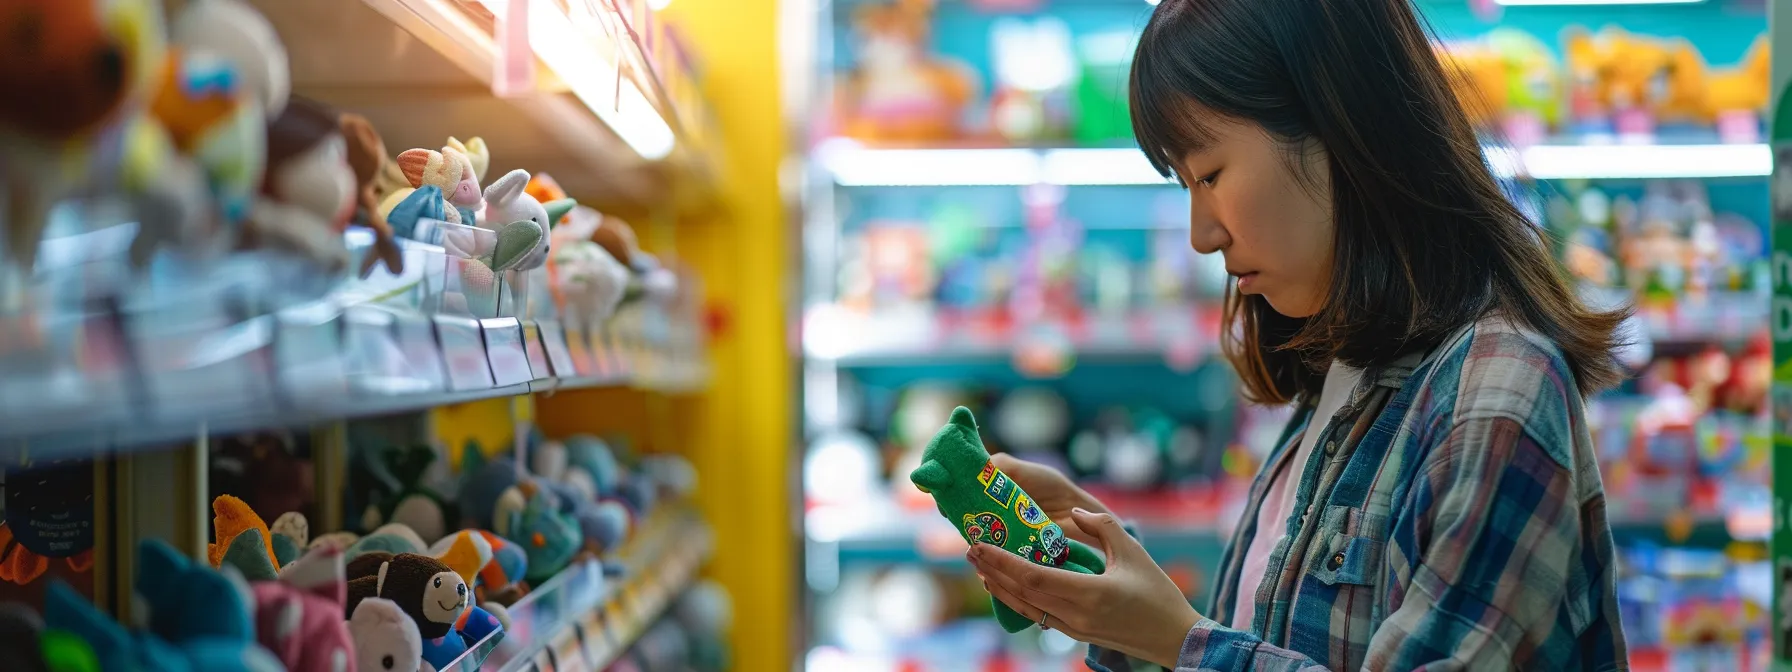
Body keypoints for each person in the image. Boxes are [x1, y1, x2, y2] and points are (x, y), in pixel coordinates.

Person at [964, 0, 1631, 670]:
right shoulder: (1346, 372)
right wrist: (1116, 583)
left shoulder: (1497, 395)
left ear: (1341, 128)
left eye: (1210, 175)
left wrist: (1177, 640)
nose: (1203, 236)